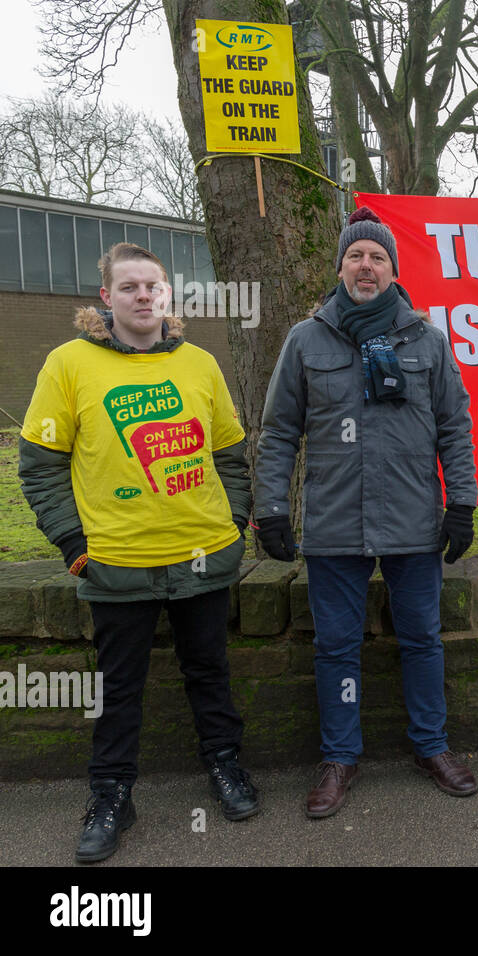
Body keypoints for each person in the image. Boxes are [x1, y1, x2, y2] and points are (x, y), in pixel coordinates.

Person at [19, 242, 258, 863]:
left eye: (153, 286)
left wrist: (233, 520)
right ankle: (111, 796)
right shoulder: (67, 365)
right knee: (118, 686)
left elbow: (231, 455)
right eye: (128, 288)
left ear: (168, 294)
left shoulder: (200, 364)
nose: (143, 296)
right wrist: (74, 546)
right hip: (116, 559)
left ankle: (226, 767)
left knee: (209, 670)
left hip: (202, 554)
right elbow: (40, 467)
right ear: (106, 298)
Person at [254, 207, 478, 817]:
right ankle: (339, 757)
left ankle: (432, 746)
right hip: (334, 523)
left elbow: (455, 429)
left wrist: (462, 503)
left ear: (393, 270)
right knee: (335, 647)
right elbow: (278, 432)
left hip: (412, 520)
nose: (366, 265)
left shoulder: (427, 340)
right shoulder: (305, 340)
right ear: (340, 268)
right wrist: (271, 507)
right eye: (356, 255)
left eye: (378, 256)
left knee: (422, 639)